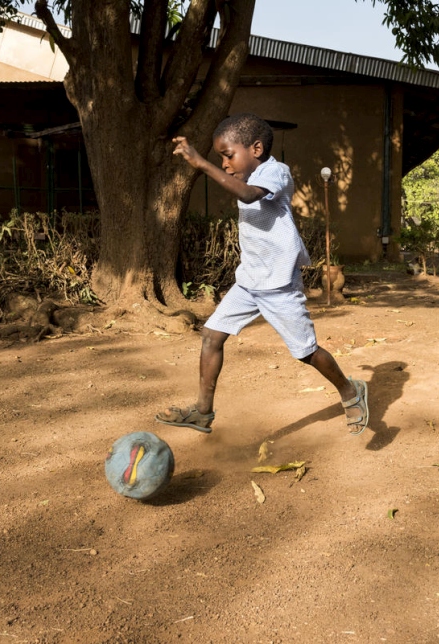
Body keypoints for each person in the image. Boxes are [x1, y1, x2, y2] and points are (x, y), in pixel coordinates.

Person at [157, 113, 370, 436]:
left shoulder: (275, 172)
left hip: (279, 286)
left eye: (228, 155)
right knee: (212, 335)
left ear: (256, 148)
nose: (225, 164)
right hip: (249, 281)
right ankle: (202, 413)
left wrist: (201, 164)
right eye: (220, 159)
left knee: (306, 352)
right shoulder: (249, 174)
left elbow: (248, 194)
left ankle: (350, 391)